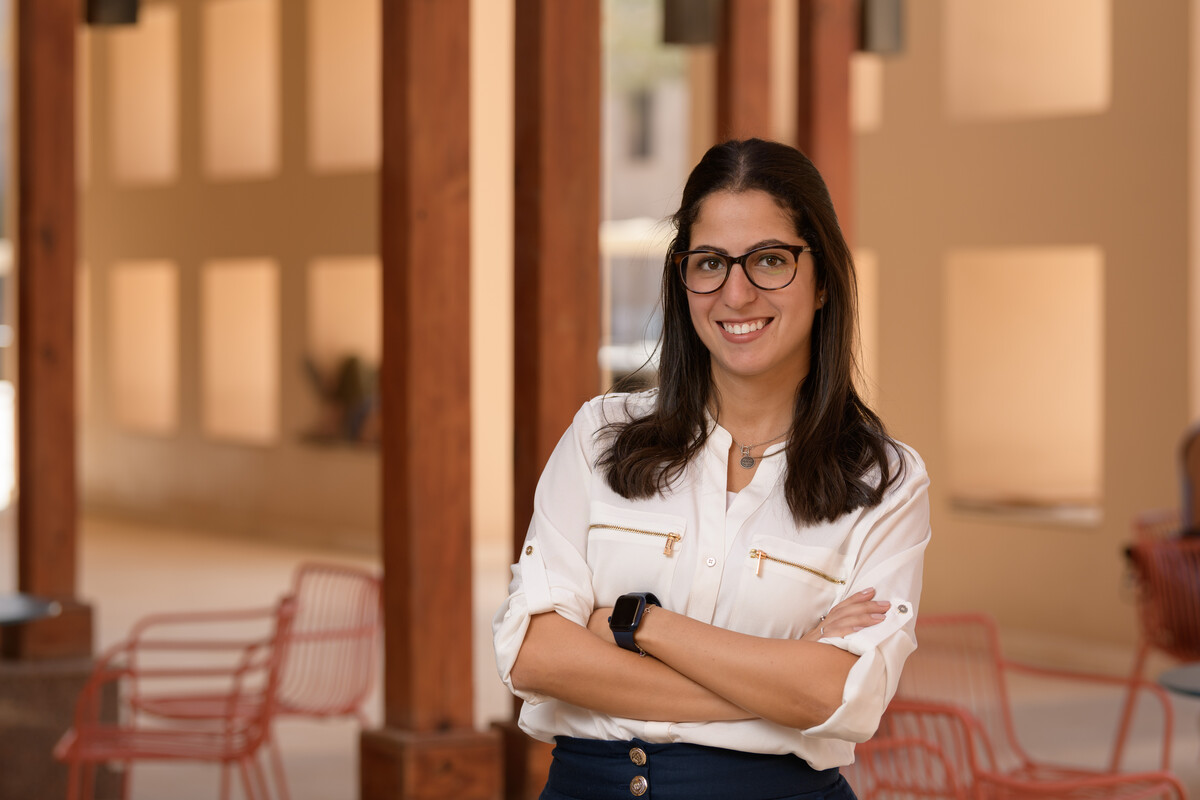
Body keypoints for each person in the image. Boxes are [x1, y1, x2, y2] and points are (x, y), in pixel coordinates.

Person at [493, 138, 931, 800]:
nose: (736, 292)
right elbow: (536, 652)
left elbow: (844, 695)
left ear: (822, 284)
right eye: (709, 263)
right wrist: (775, 687)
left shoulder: (885, 481)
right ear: (683, 278)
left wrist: (637, 624)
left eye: (770, 260)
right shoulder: (599, 436)